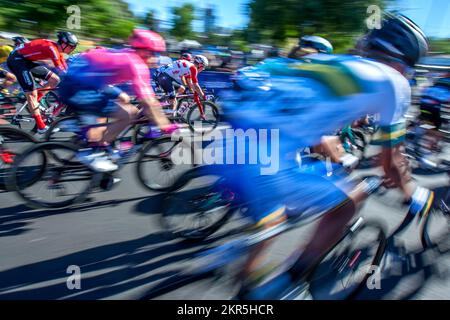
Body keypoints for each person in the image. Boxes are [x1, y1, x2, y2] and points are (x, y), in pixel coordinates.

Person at [216, 12, 433, 297]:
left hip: (227, 148)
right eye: (410, 68)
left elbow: (307, 124)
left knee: (275, 216)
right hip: (266, 163)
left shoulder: (330, 62)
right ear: (402, 60)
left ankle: (238, 278)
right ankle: (291, 281)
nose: (408, 75)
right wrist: (412, 193)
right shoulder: (394, 82)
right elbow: (390, 164)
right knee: (350, 199)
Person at [58, 29, 176, 172]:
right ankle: (95, 153)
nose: (156, 58)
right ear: (144, 51)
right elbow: (148, 101)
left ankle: (87, 133)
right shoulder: (136, 64)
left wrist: (120, 94)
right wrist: (166, 126)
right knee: (128, 113)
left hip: (79, 83)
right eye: (154, 53)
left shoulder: (128, 55)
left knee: (118, 106)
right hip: (77, 87)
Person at [7, 31, 78, 133]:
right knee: (32, 93)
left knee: (55, 79)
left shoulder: (57, 50)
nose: (73, 49)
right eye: (71, 47)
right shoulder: (51, 48)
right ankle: (41, 127)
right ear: (63, 44)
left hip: (26, 60)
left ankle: (35, 102)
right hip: (16, 60)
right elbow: (60, 69)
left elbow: (65, 68)